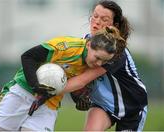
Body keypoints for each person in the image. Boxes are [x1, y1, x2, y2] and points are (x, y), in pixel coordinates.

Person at [0, 26, 126, 131]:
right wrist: (36, 86)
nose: (99, 64)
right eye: (97, 58)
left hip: (49, 105)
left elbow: (66, 84)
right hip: (22, 93)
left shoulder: (92, 65)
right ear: (89, 44)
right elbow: (28, 57)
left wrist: (79, 99)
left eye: (104, 61)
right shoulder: (66, 46)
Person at [62, 0, 148, 131]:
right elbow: (76, 76)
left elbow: (81, 80)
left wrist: (47, 91)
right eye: (95, 16)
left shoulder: (116, 51)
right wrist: (77, 94)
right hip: (103, 105)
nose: (96, 22)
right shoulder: (85, 43)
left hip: (132, 108)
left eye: (104, 19)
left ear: (114, 24)